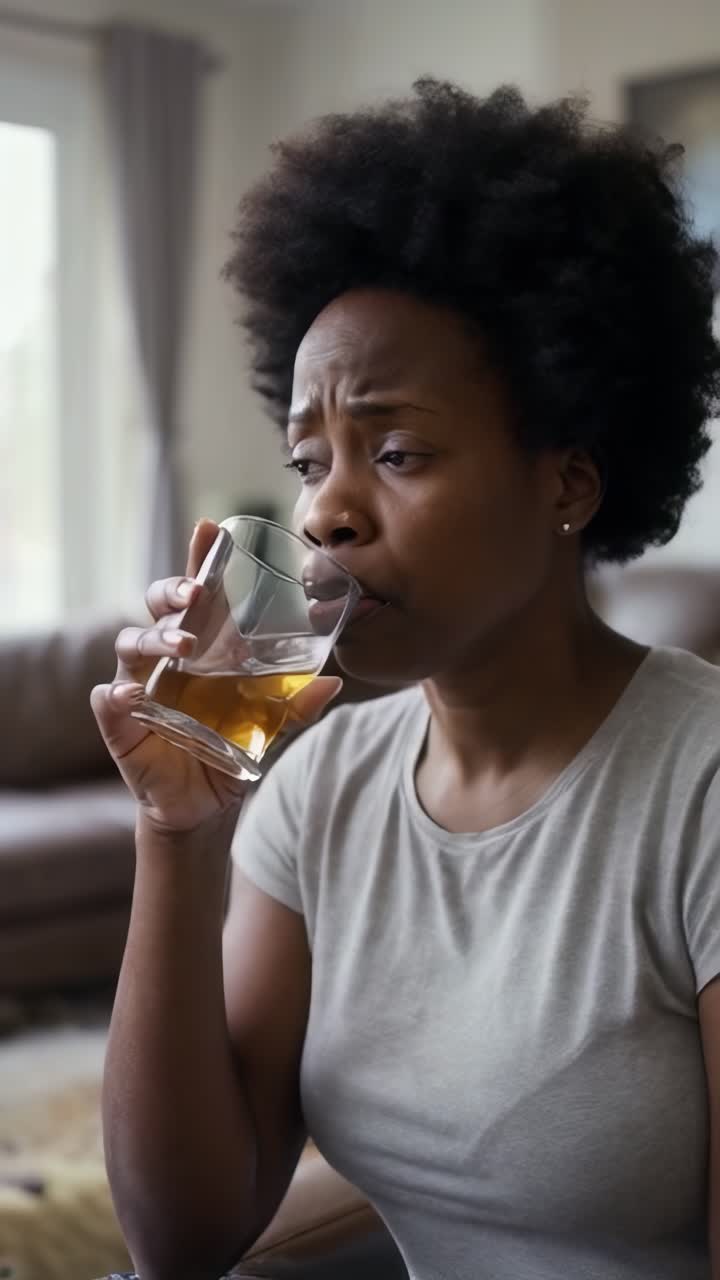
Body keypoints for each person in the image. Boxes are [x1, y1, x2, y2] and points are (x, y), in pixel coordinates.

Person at [92, 79, 720, 1280]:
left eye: (396, 451)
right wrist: (177, 835)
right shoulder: (320, 784)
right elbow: (181, 1239)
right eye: (309, 461)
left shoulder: (699, 787)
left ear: (569, 482)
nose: (325, 511)